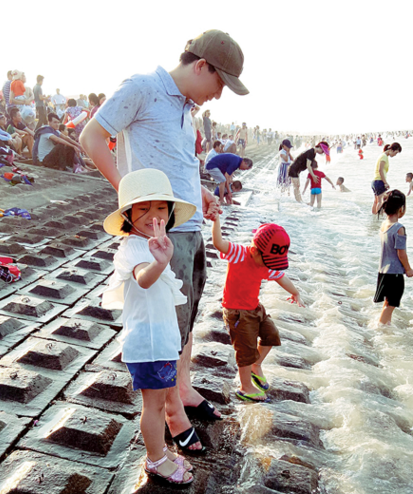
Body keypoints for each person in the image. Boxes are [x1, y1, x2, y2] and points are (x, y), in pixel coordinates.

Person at [80, 29, 249, 451]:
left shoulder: (184, 108)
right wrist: (132, 201)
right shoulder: (143, 88)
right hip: (162, 231)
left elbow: (181, 163)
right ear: (201, 66)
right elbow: (91, 138)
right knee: (167, 324)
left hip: (189, 227)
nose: (219, 95)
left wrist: (203, 194)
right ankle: (171, 412)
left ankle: (184, 390)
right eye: (220, 84)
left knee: (186, 317)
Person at [102, 168, 196, 485]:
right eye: (143, 209)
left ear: (169, 213)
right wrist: (159, 262)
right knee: (153, 407)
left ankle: (162, 450)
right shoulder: (133, 248)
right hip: (148, 343)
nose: (152, 215)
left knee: (160, 399)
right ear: (128, 215)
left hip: (162, 341)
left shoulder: (156, 242)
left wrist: (161, 255)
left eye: (160, 207)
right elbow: (143, 279)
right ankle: (155, 460)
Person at [211, 217, 303, 402]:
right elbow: (219, 243)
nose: (270, 265)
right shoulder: (239, 253)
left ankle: (256, 365)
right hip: (236, 312)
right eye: (268, 260)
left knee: (271, 335)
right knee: (245, 350)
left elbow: (280, 277)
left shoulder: (267, 263)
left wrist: (295, 292)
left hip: (254, 307)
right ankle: (245, 387)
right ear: (254, 250)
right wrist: (216, 220)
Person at [374, 190, 413, 324]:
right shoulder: (398, 228)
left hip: (383, 271)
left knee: (387, 303)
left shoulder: (384, 225)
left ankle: (385, 326)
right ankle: (382, 329)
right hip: (395, 273)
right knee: (391, 305)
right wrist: (408, 269)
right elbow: (401, 253)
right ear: (401, 208)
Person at [371, 142, 402, 214]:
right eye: (396, 153)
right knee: (380, 201)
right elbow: (380, 170)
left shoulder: (382, 156)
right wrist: (385, 182)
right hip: (379, 181)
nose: (395, 155)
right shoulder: (384, 156)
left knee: (376, 201)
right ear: (392, 150)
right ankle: (379, 219)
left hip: (375, 181)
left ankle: (374, 219)